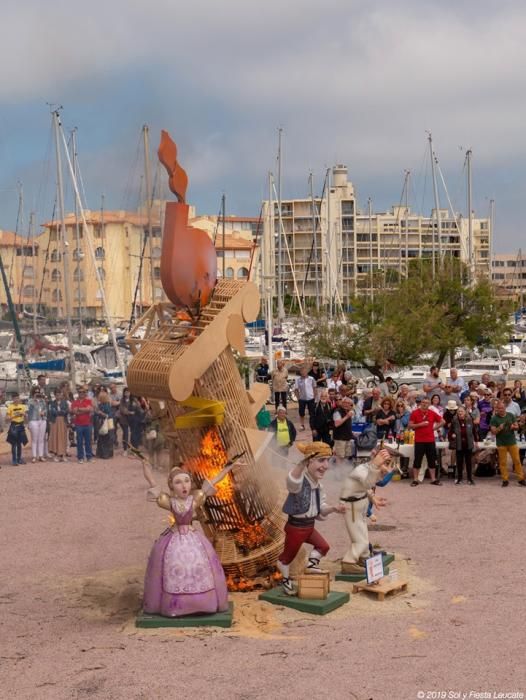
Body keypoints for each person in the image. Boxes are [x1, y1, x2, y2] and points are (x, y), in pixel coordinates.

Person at [142, 466, 229, 617]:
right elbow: (152, 482)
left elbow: (214, 481)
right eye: (178, 482)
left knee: (201, 565)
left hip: (193, 538)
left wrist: (229, 467)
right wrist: (144, 464)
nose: (184, 486)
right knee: (173, 566)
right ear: (171, 486)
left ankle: (203, 603)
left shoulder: (194, 500)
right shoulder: (169, 502)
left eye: (187, 481)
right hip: (174, 540)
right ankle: (176, 605)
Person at [276, 442, 345, 595]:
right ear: (309, 461)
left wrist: (334, 508)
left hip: (309, 526)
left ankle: (311, 565)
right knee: (286, 558)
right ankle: (286, 580)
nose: (326, 466)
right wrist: (301, 464)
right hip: (296, 528)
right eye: (321, 460)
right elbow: (292, 483)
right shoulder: (300, 480)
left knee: (323, 547)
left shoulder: (318, 486)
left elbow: (320, 511)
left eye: (327, 460)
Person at [339, 448, 393, 574]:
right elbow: (367, 482)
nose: (386, 469)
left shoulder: (368, 469)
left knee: (363, 534)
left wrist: (373, 498)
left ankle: (363, 557)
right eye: (385, 464)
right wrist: (376, 466)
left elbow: (365, 487)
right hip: (352, 508)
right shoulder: (361, 470)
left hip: (359, 507)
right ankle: (349, 562)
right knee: (360, 540)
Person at [408, 396, 444, 486]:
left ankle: (433, 479)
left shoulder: (432, 413)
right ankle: (415, 479)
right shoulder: (415, 413)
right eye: (423, 402)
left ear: (429, 404)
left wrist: (434, 428)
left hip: (430, 440)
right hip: (419, 440)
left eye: (427, 403)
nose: (425, 404)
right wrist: (421, 424)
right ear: (420, 403)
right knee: (417, 460)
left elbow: (443, 421)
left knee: (432, 460)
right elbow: (410, 425)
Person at [490, 401, 526, 487]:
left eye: (502, 408)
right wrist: (499, 428)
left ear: (505, 408)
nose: (500, 410)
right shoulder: (494, 418)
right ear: (496, 409)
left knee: (517, 461)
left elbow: (517, 427)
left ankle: (521, 479)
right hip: (501, 443)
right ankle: (505, 479)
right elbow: (493, 431)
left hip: (512, 442)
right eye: (498, 408)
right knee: (502, 462)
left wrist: (514, 427)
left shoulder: (511, 415)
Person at [449, 406, 475, 484]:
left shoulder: (470, 420)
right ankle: (459, 478)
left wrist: (476, 441)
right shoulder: (454, 420)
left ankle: (469, 478)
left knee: (468, 462)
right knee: (459, 462)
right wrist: (452, 435)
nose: (460, 413)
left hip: (468, 444)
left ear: (465, 412)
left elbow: (474, 431)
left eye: (462, 411)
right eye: (459, 411)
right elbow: (450, 432)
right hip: (459, 444)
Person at [71, 387, 94, 464]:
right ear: (78, 393)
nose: (82, 393)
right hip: (78, 424)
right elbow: (74, 412)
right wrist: (84, 410)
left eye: (83, 392)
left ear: (85, 393)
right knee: (79, 442)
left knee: (88, 441)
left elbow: (89, 409)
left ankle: (89, 456)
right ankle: (80, 457)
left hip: (87, 424)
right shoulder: (74, 402)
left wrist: (80, 409)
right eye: (80, 392)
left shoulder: (88, 401)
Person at [48, 387, 70, 462]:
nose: (58, 396)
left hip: (63, 421)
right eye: (56, 395)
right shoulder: (52, 403)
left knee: (63, 438)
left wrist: (58, 412)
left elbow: (66, 411)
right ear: (55, 395)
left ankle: (63, 455)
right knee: (55, 437)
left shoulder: (65, 402)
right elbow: (52, 412)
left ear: (61, 395)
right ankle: (55, 455)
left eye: (59, 394)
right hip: (55, 422)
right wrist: (60, 412)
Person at [6, 393, 28, 465]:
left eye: (18, 398)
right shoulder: (10, 407)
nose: (17, 400)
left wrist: (25, 415)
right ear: (12, 399)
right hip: (14, 426)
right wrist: (14, 416)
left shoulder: (22, 406)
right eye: (15, 398)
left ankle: (19, 459)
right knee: (14, 444)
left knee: (19, 444)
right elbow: (7, 419)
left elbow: (26, 418)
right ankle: (14, 460)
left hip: (21, 425)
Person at [27, 387, 48, 463]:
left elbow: (46, 409)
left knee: (41, 439)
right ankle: (34, 456)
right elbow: (28, 410)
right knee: (34, 439)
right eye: (35, 392)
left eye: (38, 392)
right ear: (33, 393)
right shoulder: (30, 401)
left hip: (42, 420)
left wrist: (44, 412)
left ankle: (41, 456)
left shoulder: (42, 401)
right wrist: (34, 399)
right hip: (33, 420)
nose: (37, 393)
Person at [294, 366, 316, 432]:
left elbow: (314, 388)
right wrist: (298, 398)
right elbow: (296, 389)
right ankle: (302, 425)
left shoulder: (311, 379)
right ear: (300, 372)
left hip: (311, 398)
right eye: (302, 371)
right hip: (302, 399)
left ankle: (312, 426)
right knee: (301, 413)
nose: (303, 373)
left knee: (312, 413)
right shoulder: (298, 379)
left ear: (307, 372)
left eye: (304, 371)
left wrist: (314, 397)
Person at [95, 391, 114, 459]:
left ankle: (105, 454)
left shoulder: (106, 405)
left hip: (106, 423)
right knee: (103, 438)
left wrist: (101, 413)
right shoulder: (101, 405)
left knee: (105, 438)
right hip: (104, 423)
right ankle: (103, 453)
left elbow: (109, 415)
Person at [119, 388, 133, 455]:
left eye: (128, 392)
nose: (127, 393)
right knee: (126, 434)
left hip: (132, 420)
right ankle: (125, 449)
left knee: (133, 434)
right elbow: (122, 410)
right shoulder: (122, 400)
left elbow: (137, 408)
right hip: (124, 419)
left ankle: (133, 449)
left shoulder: (133, 400)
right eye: (126, 392)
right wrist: (130, 412)